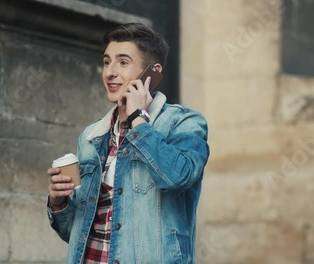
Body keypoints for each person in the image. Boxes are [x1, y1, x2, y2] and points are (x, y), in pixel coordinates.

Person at [47, 23, 209, 264]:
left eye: (123, 62)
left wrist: (138, 121)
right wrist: (58, 203)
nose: (110, 72)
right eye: (106, 62)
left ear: (151, 73)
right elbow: (76, 233)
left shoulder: (183, 123)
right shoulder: (92, 136)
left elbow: (177, 177)